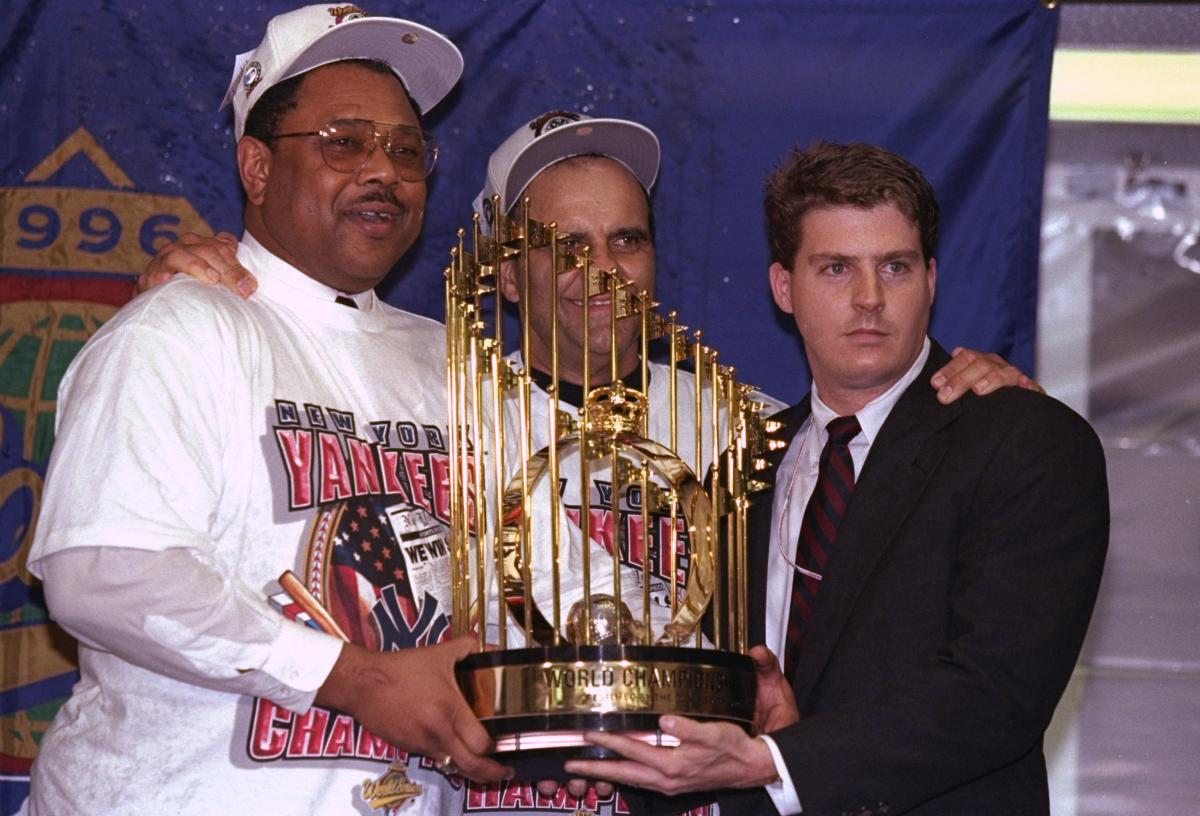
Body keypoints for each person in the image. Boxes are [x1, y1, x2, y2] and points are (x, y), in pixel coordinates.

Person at [136, 116, 1039, 816]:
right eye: (561, 245)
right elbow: (308, 337)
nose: (600, 270)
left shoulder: (758, 429)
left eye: (626, 240)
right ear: (499, 270)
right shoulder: (427, 407)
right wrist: (200, 276)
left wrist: (966, 386)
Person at [26, 6, 511, 815]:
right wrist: (355, 679)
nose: (383, 171)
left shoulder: (453, 363)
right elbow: (105, 574)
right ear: (256, 168)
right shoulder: (180, 328)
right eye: (343, 142)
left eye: (404, 149)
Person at [563, 142, 1110, 816]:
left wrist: (776, 762)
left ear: (932, 280)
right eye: (835, 269)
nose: (870, 298)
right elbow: (721, 686)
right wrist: (625, 747)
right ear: (783, 288)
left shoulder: (1025, 440)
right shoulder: (741, 467)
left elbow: (997, 692)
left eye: (895, 267)